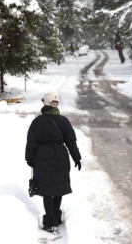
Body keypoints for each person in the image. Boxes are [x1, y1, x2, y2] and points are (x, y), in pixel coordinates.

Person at [25, 92, 82, 233]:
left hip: (42, 158)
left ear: (45, 103)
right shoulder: (64, 121)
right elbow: (71, 142)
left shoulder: (37, 122)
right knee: (58, 188)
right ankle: (56, 216)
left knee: (46, 191)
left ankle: (49, 221)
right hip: (60, 157)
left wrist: (29, 159)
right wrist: (76, 157)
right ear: (56, 104)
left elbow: (31, 143)